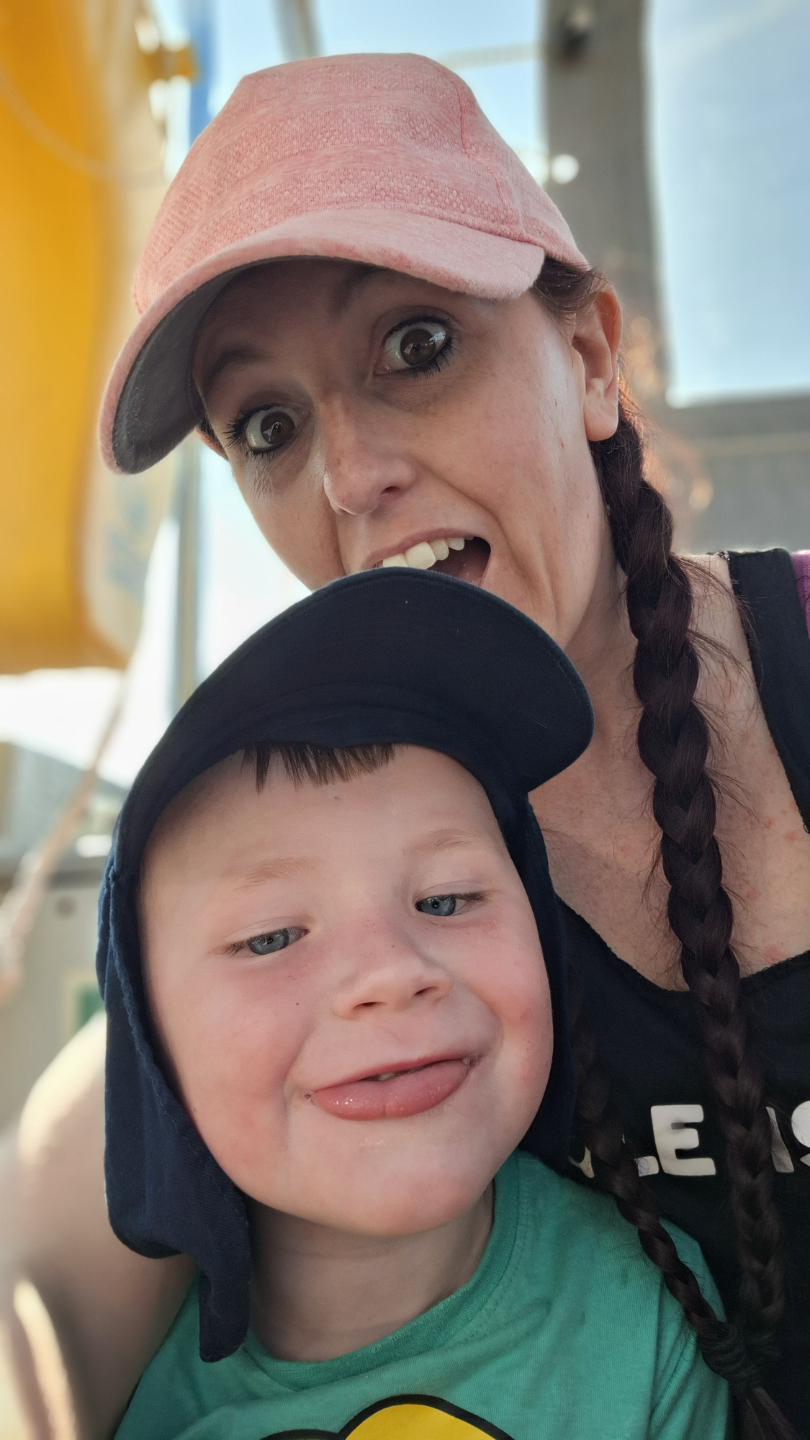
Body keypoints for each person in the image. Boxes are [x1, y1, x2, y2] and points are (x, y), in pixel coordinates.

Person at [2, 50, 807, 1439]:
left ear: (589, 358)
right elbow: (44, 1277)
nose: (345, 476)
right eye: (266, 425)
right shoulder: (336, 832)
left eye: (416, 347)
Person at [100, 565, 729, 1439]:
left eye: (447, 899)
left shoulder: (653, 1313)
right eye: (271, 938)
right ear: (147, 1038)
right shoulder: (112, 1393)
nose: (393, 972)